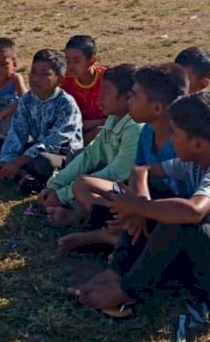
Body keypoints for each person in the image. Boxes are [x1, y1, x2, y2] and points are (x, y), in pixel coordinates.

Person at [70, 92, 210, 315]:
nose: (171, 138)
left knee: (179, 220)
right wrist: (141, 205)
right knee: (159, 196)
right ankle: (118, 271)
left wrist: (139, 206)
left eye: (175, 133)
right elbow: (142, 171)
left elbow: (193, 211)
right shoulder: (199, 159)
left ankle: (126, 290)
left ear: (197, 143)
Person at [58, 63, 188, 252]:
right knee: (84, 184)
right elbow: (137, 173)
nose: (129, 101)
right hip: (142, 203)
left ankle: (106, 237)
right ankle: (116, 235)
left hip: (170, 213)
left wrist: (139, 209)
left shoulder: (180, 140)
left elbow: (182, 199)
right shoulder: (147, 132)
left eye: (134, 96)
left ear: (157, 107)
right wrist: (135, 207)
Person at [37, 64, 142, 226]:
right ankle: (75, 208)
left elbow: (118, 173)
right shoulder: (114, 118)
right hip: (106, 181)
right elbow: (90, 155)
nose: (99, 97)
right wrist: (55, 185)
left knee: (85, 191)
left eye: (106, 93)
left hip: (127, 189)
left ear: (128, 98)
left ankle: (77, 217)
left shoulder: (135, 126)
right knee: (77, 157)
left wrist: (64, 194)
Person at [0, 49, 82, 194]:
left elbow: (54, 143)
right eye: (33, 72)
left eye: (44, 74)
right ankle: (22, 175)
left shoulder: (66, 104)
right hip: (34, 150)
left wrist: (18, 161)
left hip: (62, 154)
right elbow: (17, 132)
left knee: (44, 162)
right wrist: (5, 159)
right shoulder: (27, 99)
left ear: (60, 79)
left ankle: (21, 174)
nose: (35, 78)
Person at [62, 35, 107, 145]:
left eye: (76, 61)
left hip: (103, 129)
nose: (70, 66)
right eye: (67, 61)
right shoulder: (64, 80)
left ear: (92, 60)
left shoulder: (107, 80)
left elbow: (121, 115)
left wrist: (91, 124)